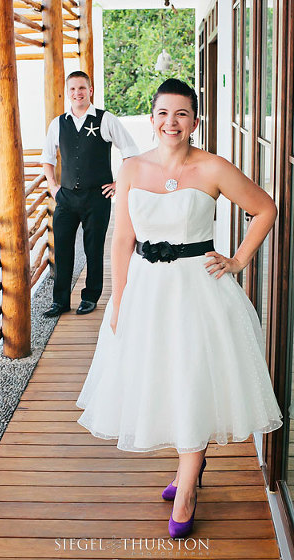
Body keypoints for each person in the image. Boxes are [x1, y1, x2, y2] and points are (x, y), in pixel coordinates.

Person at [76, 79, 282, 538]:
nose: (172, 122)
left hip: (199, 288)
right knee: (164, 377)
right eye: (164, 113)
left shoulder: (212, 167)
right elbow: (123, 240)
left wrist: (238, 260)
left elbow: (264, 208)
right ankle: (190, 466)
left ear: (195, 121)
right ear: (151, 119)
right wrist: (118, 296)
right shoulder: (130, 168)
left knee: (193, 376)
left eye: (182, 114)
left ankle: (187, 488)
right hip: (148, 289)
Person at [42, 71, 139, 318]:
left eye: (82, 88)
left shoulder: (105, 120)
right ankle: (60, 301)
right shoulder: (58, 123)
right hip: (66, 198)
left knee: (93, 249)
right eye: (73, 89)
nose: (77, 93)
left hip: (97, 198)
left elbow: (131, 152)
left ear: (91, 90)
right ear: (68, 92)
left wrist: (119, 184)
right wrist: (53, 188)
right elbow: (47, 159)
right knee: (62, 250)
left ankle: (90, 297)